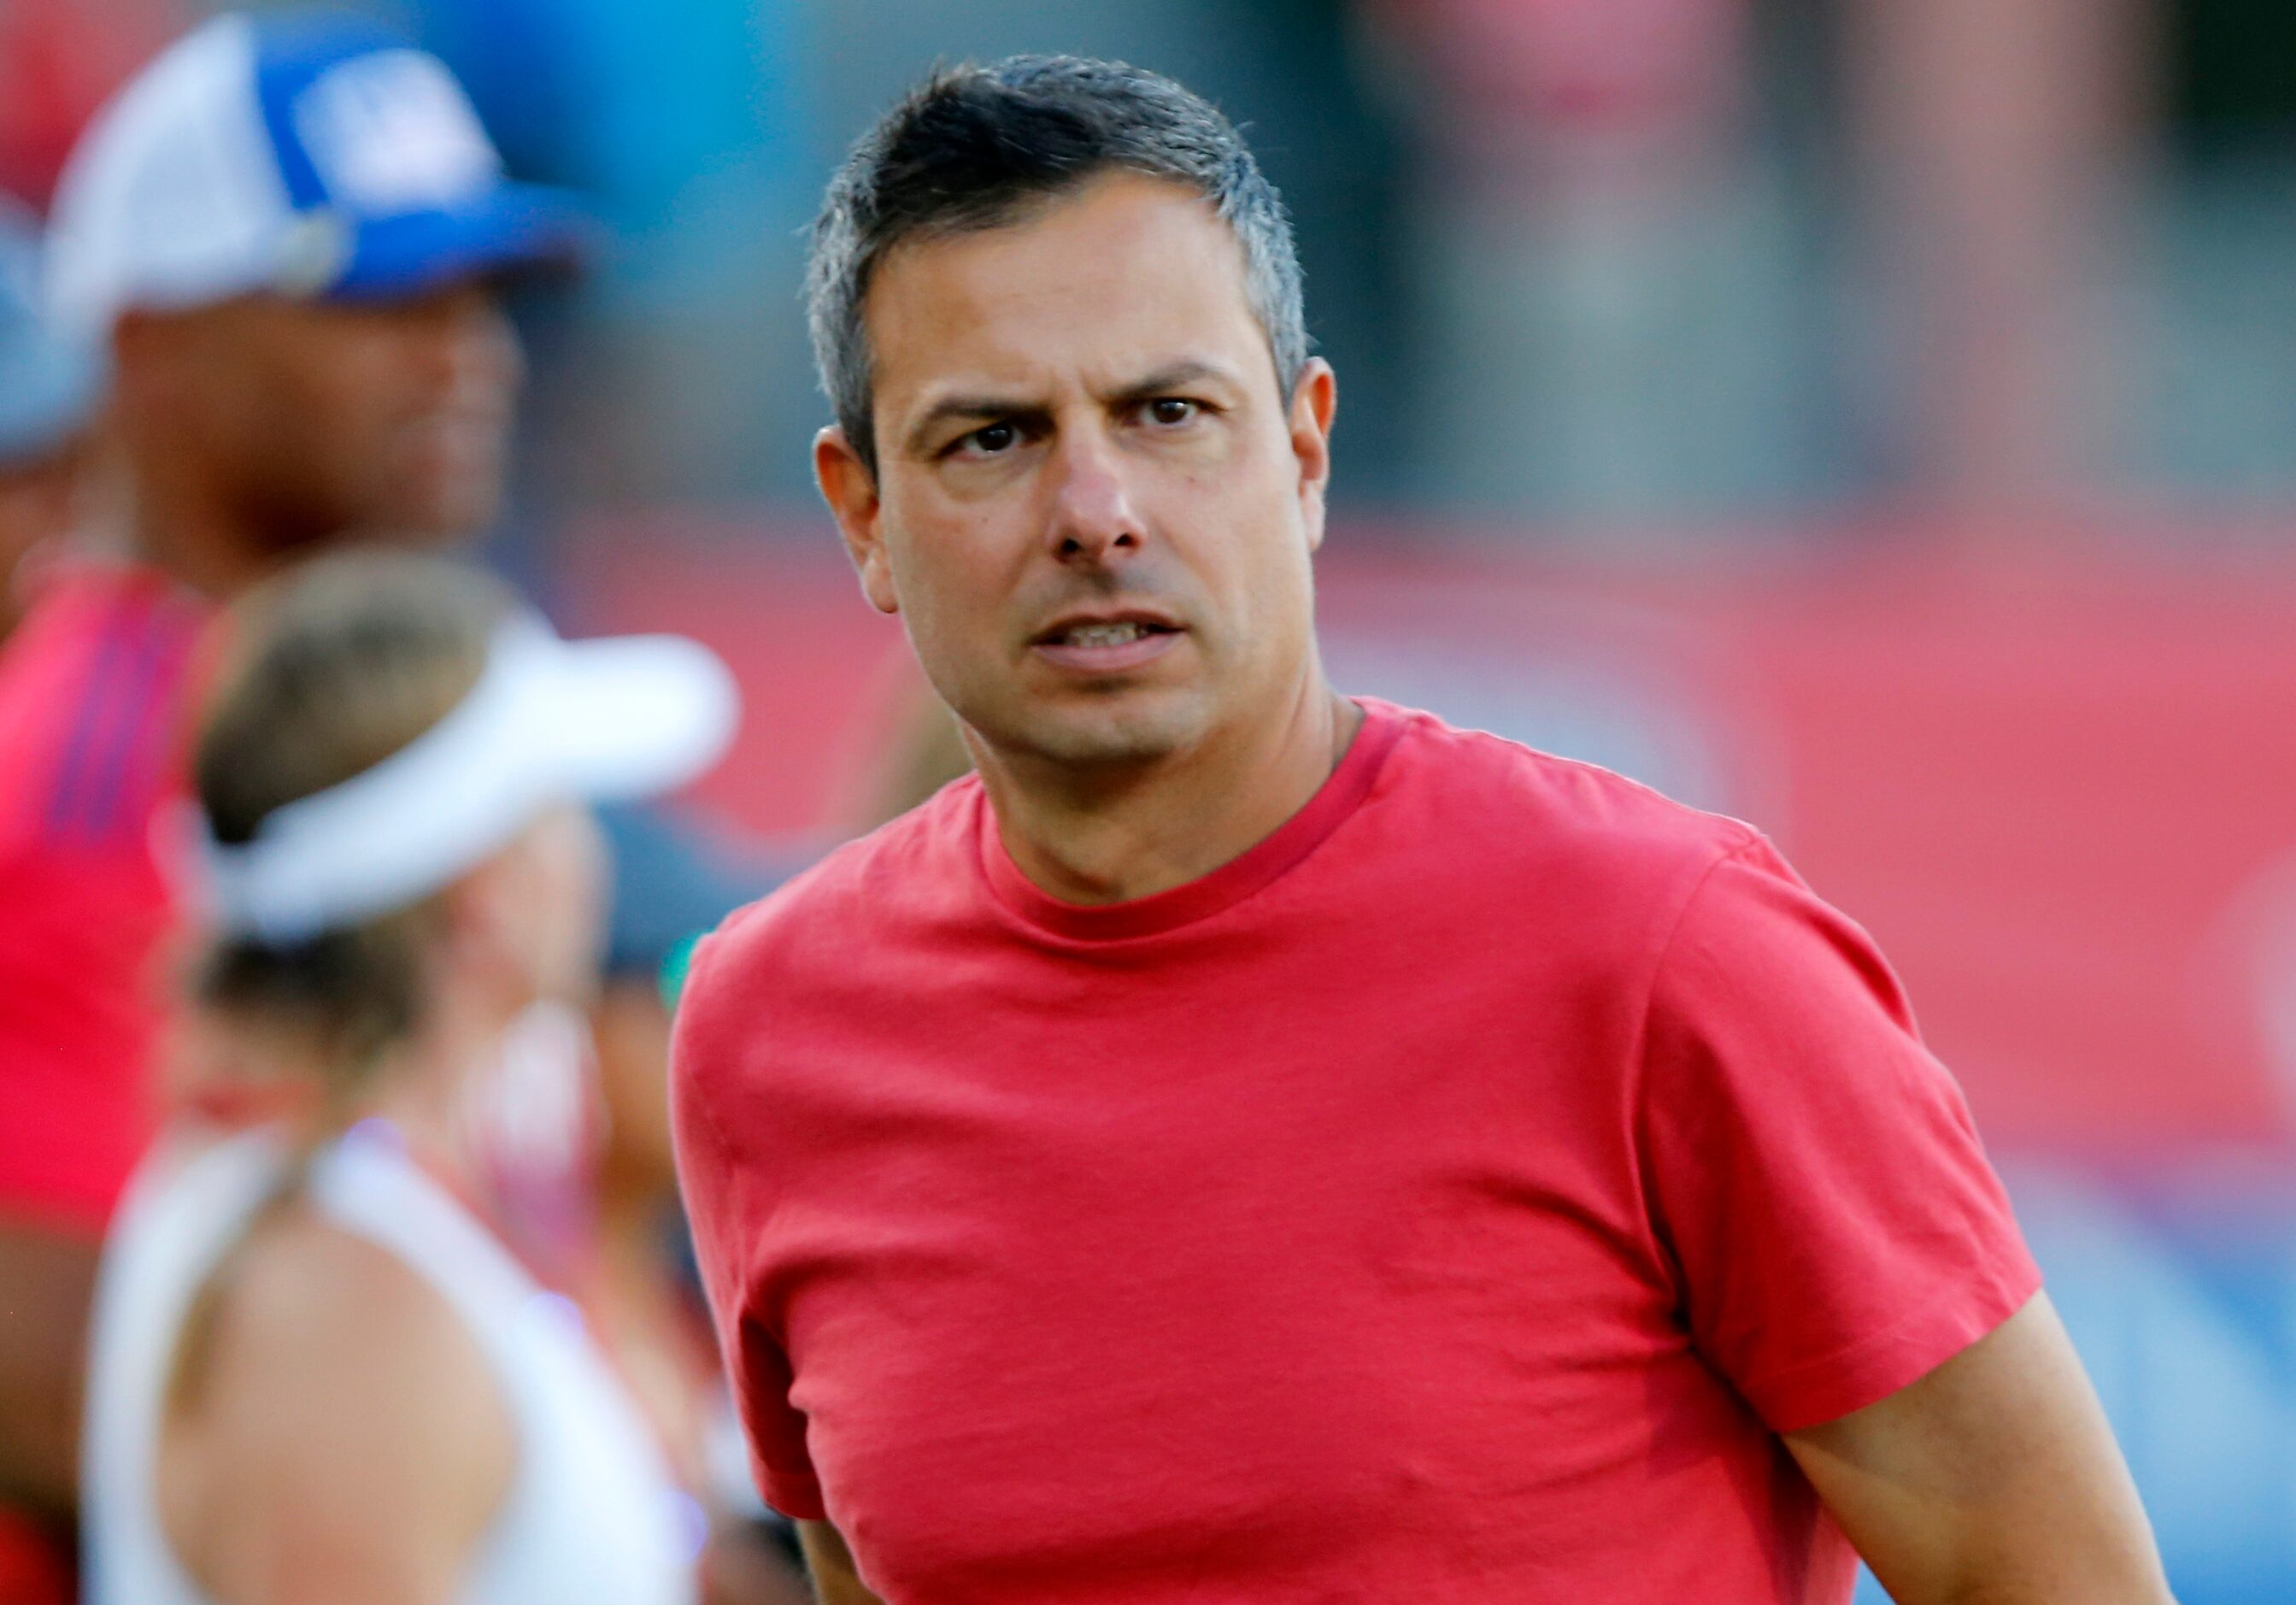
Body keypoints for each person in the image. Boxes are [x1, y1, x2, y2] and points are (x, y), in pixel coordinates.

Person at [669, 57, 2175, 1605]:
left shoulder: (1662, 947)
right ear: (861, 515)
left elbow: (2053, 1577)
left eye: (1168, 411)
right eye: (990, 436)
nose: (1095, 506)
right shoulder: (765, 1028)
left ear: (1305, 451)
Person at [0, 6, 581, 1555]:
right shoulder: (92, 773)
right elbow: (60, 1373)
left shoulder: (393, 707)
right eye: (378, 296)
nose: (464, 352)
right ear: (150, 343)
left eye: (482, 291)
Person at [81, 550, 734, 1602]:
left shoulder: (346, 1216)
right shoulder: (337, 1299)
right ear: (486, 902)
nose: (594, 852)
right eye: (560, 809)